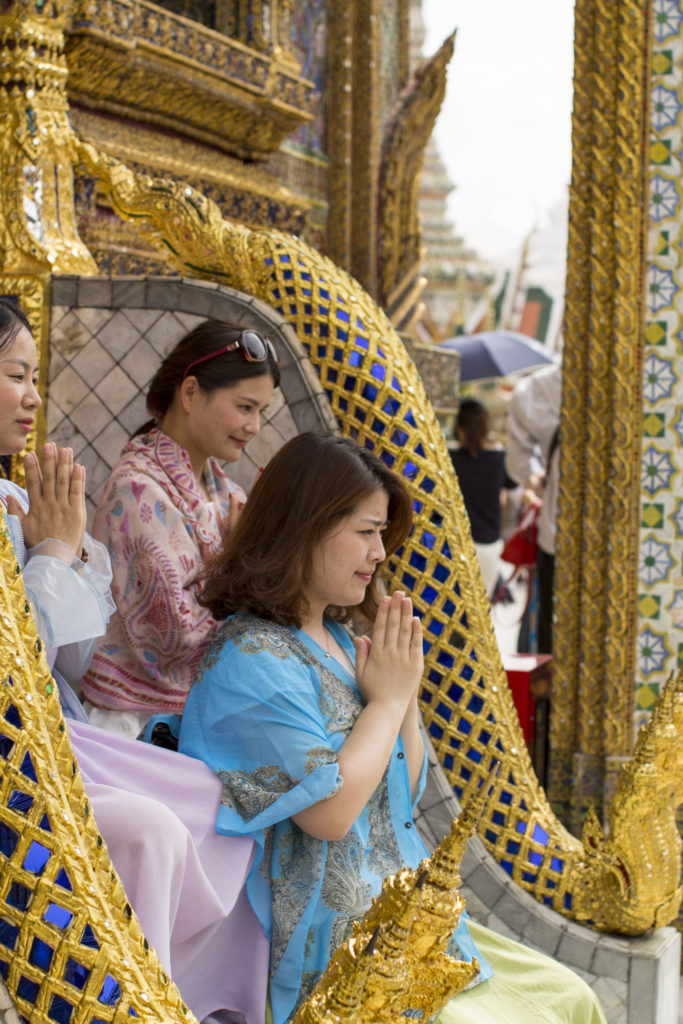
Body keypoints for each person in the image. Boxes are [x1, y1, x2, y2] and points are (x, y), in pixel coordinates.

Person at [178, 432, 606, 1024]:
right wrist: (388, 700)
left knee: (573, 997)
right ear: (304, 526)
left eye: (382, 535)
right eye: (366, 531)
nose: (380, 553)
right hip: (335, 953)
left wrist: (400, 698)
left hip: (402, 922)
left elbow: (403, 789)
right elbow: (330, 814)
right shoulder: (249, 660)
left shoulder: (332, 639)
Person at [0, 299, 269, 1024]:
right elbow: (169, 634)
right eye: (16, 374)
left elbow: (73, 648)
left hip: (76, 723)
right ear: (191, 393)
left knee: (235, 811)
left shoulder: (216, 494)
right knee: (181, 823)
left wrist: (61, 549)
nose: (33, 394)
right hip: (98, 726)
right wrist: (56, 551)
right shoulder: (139, 489)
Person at [81, 319, 280, 736]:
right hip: (142, 728)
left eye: (260, 412)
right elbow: (176, 641)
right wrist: (246, 559)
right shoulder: (137, 493)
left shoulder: (223, 489)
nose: (254, 426)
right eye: (245, 407)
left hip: (199, 718)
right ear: (190, 393)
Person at [505, 365, 561, 653]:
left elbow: (519, 467)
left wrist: (538, 479)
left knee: (555, 639)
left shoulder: (538, 389)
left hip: (558, 534)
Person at [449, 398, 517, 599]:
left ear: (460, 429)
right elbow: (515, 495)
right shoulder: (500, 459)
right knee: (482, 611)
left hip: (456, 545)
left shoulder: (449, 458)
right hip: (489, 546)